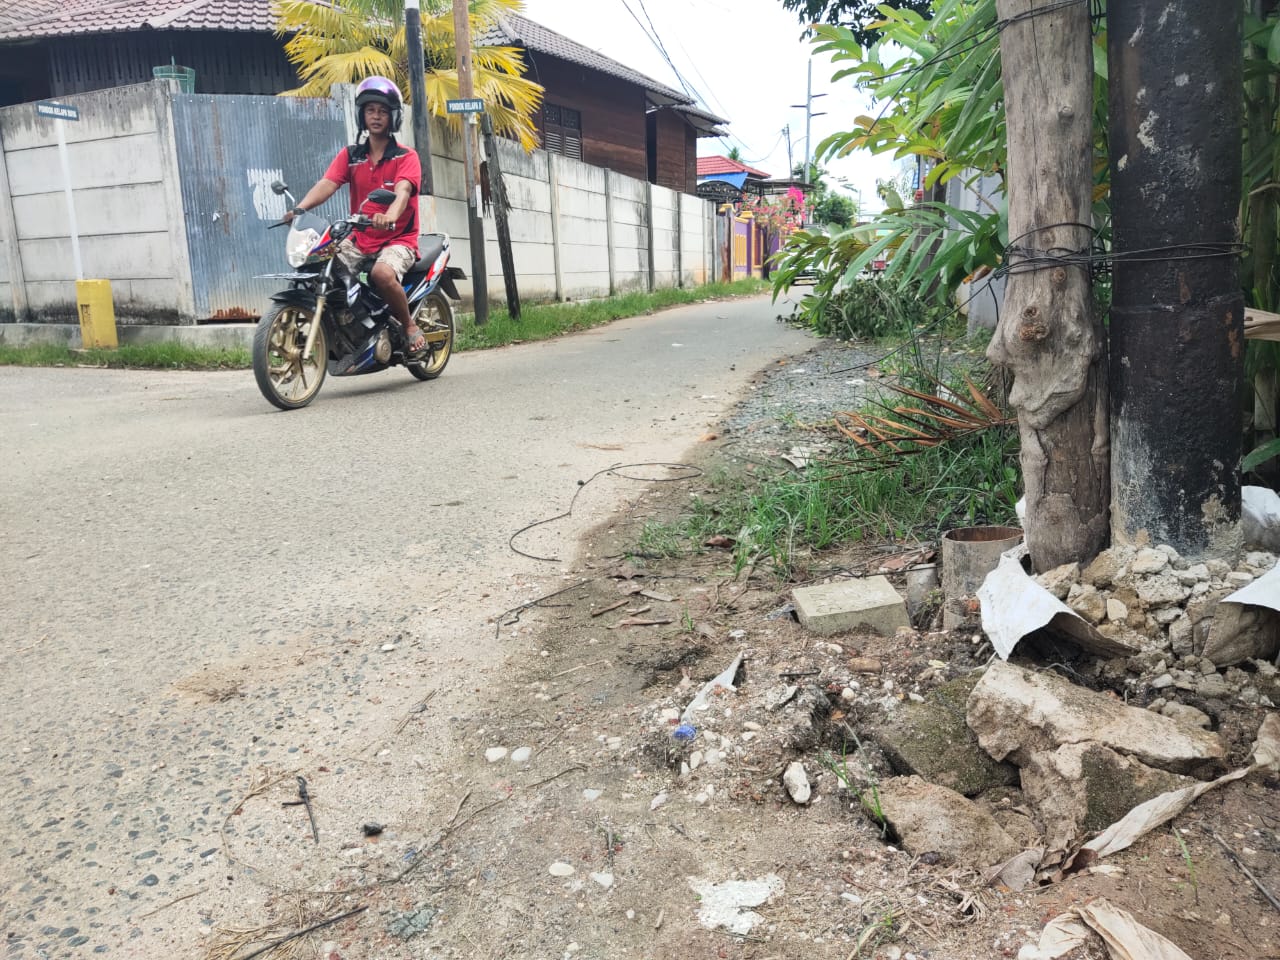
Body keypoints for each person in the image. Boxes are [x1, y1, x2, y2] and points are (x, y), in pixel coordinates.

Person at [283, 76, 427, 356]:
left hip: (399, 239)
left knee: (382, 274)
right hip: (360, 237)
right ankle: (348, 324)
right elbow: (328, 183)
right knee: (319, 266)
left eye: (383, 111)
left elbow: (403, 191)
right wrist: (300, 209)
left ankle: (409, 325)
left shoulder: (406, 157)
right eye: (370, 110)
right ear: (362, 114)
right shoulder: (351, 155)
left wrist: (390, 215)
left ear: (392, 117)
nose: (376, 116)